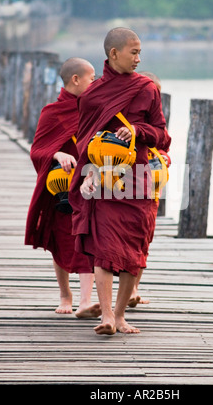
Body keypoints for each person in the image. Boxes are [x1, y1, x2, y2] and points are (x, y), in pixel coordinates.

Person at [69, 28, 171, 335]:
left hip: (138, 180)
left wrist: (139, 131)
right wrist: (85, 174)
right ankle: (107, 317)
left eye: (140, 52)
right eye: (133, 52)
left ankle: (122, 314)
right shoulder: (92, 95)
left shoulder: (146, 89)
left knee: (133, 251)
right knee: (104, 248)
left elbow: (163, 135)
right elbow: (84, 140)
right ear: (114, 54)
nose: (139, 59)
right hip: (105, 178)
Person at [25, 57, 101, 319]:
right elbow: (38, 150)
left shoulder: (95, 109)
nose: (95, 82)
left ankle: (86, 301)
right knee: (61, 238)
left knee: (89, 239)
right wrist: (57, 154)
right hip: (60, 185)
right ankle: (65, 293)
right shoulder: (52, 112)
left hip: (90, 184)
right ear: (75, 80)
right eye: (92, 78)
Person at [128, 71, 171, 308]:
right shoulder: (125, 116)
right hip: (122, 182)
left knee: (144, 238)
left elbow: (163, 143)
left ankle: (134, 288)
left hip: (150, 186)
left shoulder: (155, 119)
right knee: (125, 238)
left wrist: (163, 157)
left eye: (158, 93)